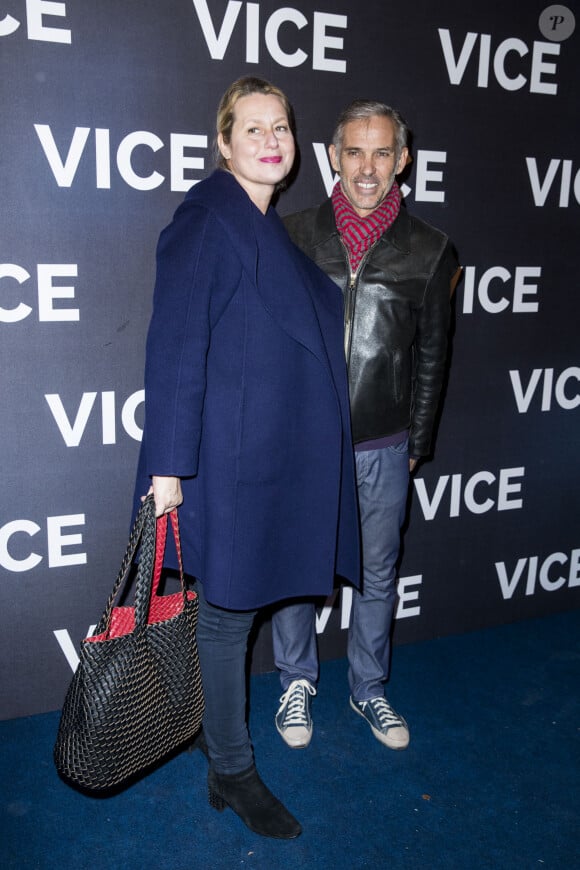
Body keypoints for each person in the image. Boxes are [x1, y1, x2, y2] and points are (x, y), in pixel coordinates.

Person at [132, 77, 360, 839]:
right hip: (220, 467)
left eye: (282, 128)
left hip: (270, 460)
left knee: (236, 613)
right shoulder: (206, 221)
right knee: (228, 620)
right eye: (253, 128)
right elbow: (174, 352)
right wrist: (168, 472)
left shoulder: (270, 231)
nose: (271, 140)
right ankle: (230, 769)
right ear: (223, 143)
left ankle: (215, 733)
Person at [272, 100, 461, 752]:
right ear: (333, 156)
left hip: (383, 445)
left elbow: (434, 353)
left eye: (383, 152)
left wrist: (419, 442)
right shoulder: (292, 233)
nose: (368, 167)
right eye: (355, 151)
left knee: (378, 573)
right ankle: (295, 680)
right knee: (299, 566)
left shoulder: (431, 250)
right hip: (305, 442)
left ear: (403, 159)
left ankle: (368, 689)